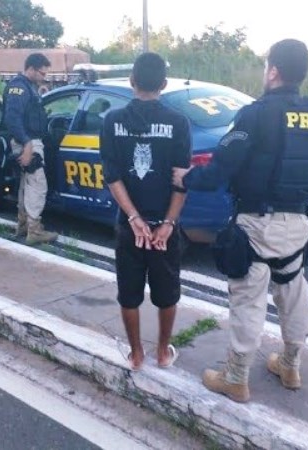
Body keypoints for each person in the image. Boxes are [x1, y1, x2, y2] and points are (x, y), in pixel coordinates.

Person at [172, 39, 308, 402]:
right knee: (292, 291)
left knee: (248, 298)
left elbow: (220, 170)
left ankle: (236, 377)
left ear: (273, 71)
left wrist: (186, 178)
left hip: (256, 223)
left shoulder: (255, 115)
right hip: (298, 223)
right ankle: (290, 365)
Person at [100, 52, 192, 371]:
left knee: (129, 293)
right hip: (164, 227)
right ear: (163, 84)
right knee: (167, 293)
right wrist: (167, 223)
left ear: (131, 81)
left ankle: (136, 354)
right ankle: (163, 353)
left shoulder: (112, 121)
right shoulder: (178, 123)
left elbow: (112, 176)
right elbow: (181, 180)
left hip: (131, 227)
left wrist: (134, 218)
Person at [3, 53, 58, 245]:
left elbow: (29, 113)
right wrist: (27, 144)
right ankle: (34, 230)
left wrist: (39, 94)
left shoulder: (28, 87)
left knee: (26, 185)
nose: (44, 77)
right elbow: (12, 119)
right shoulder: (19, 87)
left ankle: (23, 225)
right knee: (37, 185)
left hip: (29, 141)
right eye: (42, 73)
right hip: (27, 142)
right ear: (32, 69)